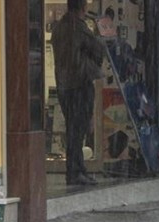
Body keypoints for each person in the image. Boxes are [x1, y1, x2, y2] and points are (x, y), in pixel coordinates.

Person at [51, 0, 106, 186]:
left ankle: (75, 170)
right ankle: (76, 171)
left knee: (72, 128)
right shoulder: (79, 27)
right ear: (83, 7)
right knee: (78, 130)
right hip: (80, 84)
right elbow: (98, 50)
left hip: (64, 85)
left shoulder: (59, 27)